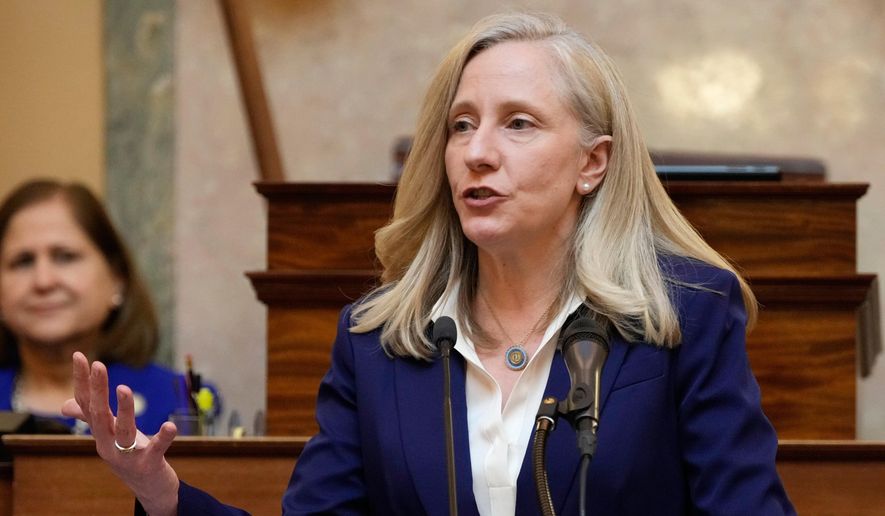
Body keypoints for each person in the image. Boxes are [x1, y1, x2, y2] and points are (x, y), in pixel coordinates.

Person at [63, 12, 795, 515]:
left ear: (591, 164)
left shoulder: (684, 318)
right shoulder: (378, 341)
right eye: (460, 125)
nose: (477, 151)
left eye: (518, 123)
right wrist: (161, 494)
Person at [0, 180, 197, 435]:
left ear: (116, 278)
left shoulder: (181, 402)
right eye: (23, 262)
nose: (43, 281)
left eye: (65, 256)